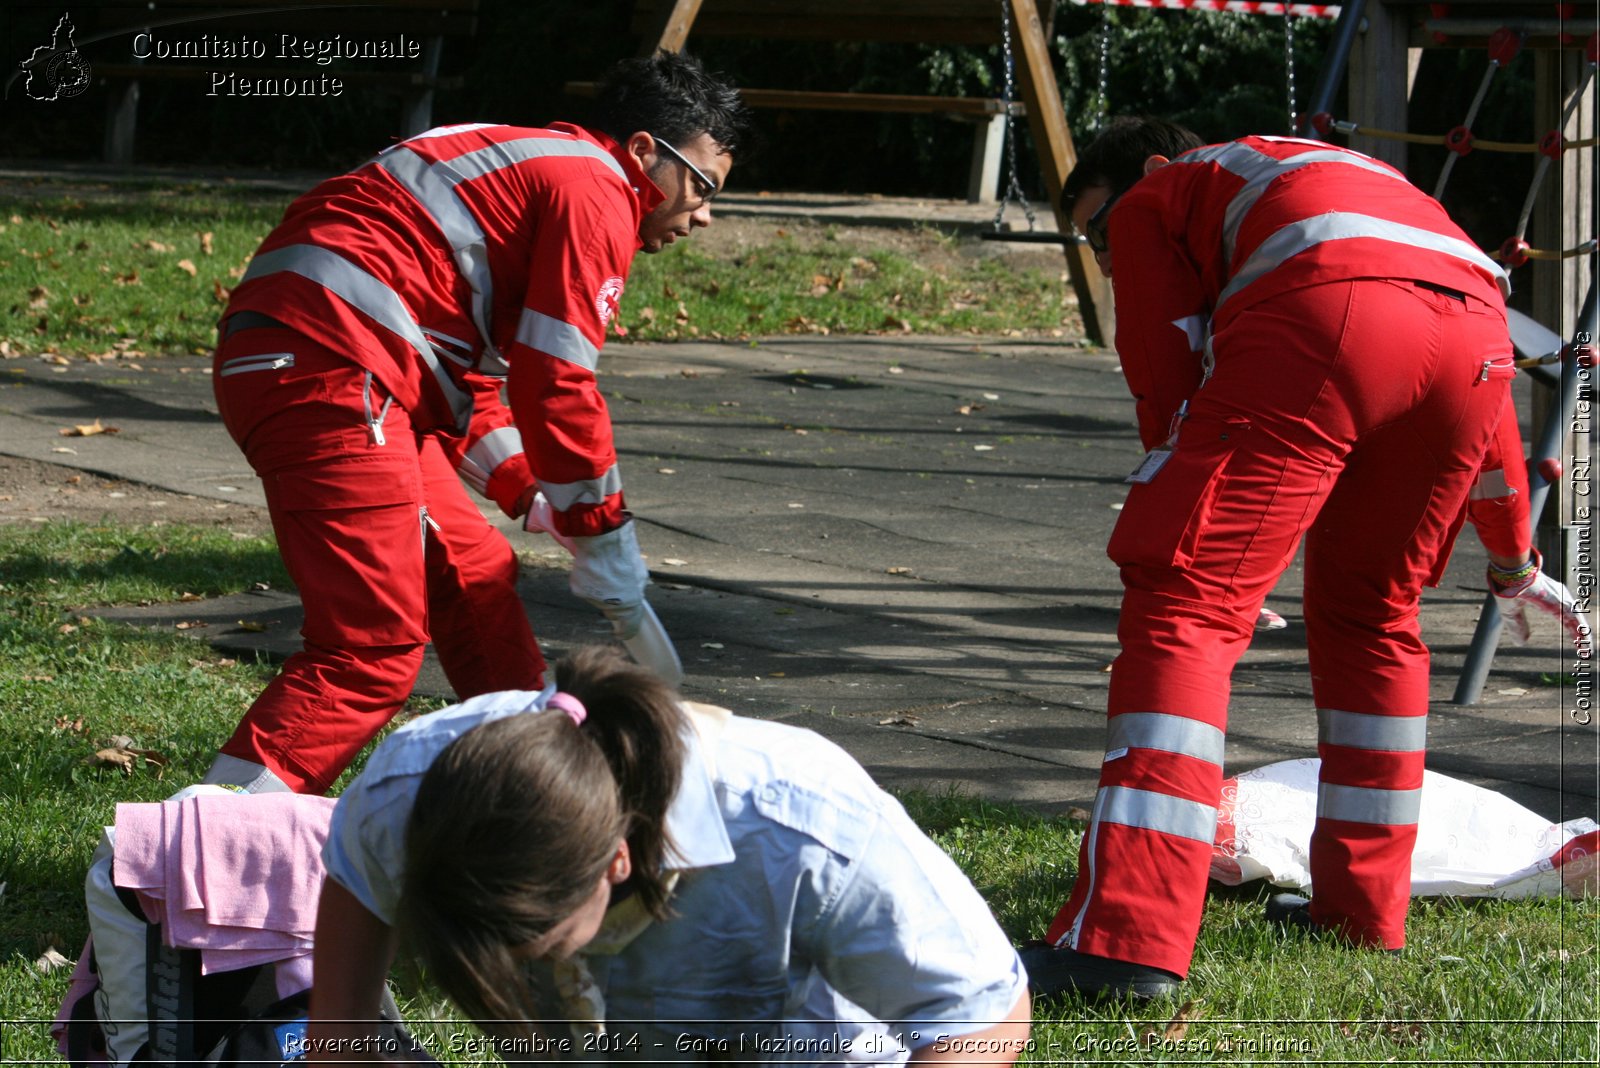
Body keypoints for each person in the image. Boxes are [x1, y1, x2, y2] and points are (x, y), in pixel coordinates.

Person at [1021, 118, 1517, 999]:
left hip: (1332, 312)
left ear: (1147, 171)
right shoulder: (1330, 178)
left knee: (1185, 604)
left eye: (1099, 234)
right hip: (1481, 333)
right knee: (1375, 618)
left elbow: (1159, 357)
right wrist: (1515, 559)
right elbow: (1496, 429)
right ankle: (1364, 911)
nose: (1104, 258)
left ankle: (1125, 941)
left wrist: (1181, 499)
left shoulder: (1160, 193)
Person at [201, 52, 752, 795]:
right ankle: (172, 866)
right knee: (371, 649)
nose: (705, 213)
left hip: (325, 361)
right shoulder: (594, 187)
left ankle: (537, 802)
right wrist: (604, 535)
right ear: (644, 152)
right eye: (703, 184)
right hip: (335, 367)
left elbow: (462, 385)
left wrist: (532, 490)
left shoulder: (532, 164)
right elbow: (557, 382)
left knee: (478, 577)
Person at [308, 646, 1032, 1064]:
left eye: (531, 951)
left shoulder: (803, 828)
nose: (508, 974)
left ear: (615, 864)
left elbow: (984, 1013)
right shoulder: (404, 801)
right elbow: (336, 1040)